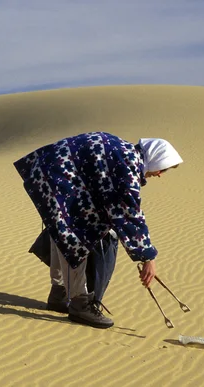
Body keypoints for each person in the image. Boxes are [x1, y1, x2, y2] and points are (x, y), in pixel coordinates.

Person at [14, 132, 183, 328]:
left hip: (48, 174)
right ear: (155, 159)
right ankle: (79, 303)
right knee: (75, 234)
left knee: (62, 227)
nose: (160, 174)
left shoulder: (124, 152)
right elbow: (129, 214)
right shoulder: (126, 165)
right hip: (58, 178)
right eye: (163, 168)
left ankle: (59, 293)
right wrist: (147, 257)